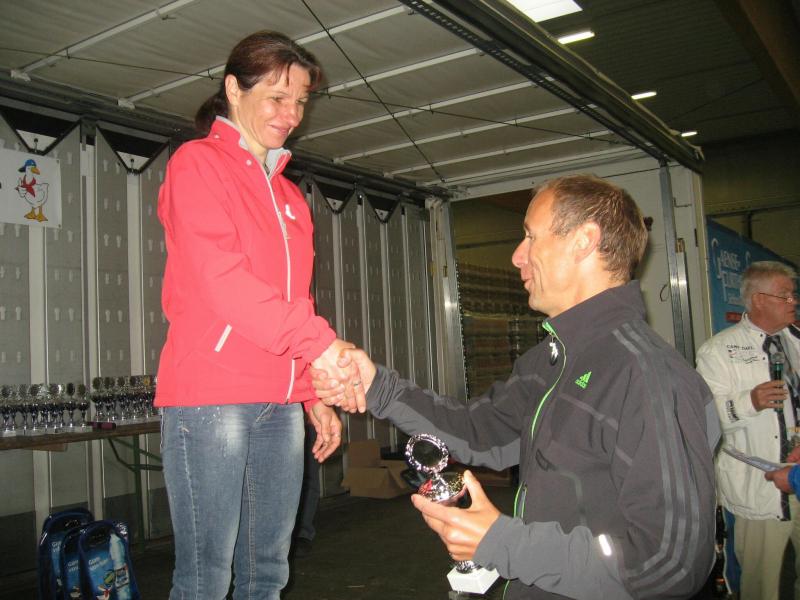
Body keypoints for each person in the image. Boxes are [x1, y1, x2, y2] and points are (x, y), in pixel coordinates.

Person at [314, 175, 720, 599]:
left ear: (584, 241)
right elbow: (479, 432)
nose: (516, 256)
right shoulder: (550, 362)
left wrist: (504, 543)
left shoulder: (648, 377)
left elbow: (669, 563)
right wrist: (376, 386)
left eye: (530, 236)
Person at [154, 31, 363, 600]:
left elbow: (294, 300)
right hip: (212, 396)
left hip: (280, 401)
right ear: (233, 89)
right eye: (276, 97)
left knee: (268, 570)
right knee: (205, 577)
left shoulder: (292, 199)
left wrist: (311, 392)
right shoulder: (197, 164)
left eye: (300, 101)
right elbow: (222, 280)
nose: (290, 114)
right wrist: (324, 348)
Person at [697, 261, 800, 600]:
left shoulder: (796, 341)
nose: (794, 301)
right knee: (761, 586)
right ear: (758, 299)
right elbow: (705, 419)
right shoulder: (718, 350)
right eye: (785, 295)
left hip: (798, 476)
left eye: (793, 294)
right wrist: (750, 402)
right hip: (761, 488)